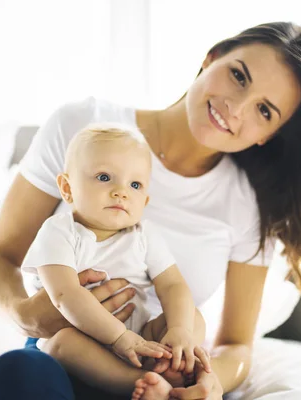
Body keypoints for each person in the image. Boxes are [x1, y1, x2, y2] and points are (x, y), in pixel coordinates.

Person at [0, 21, 301, 400]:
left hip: (159, 366)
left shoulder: (246, 204)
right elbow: (0, 258)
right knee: (14, 376)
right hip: (61, 350)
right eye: (238, 76)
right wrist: (26, 314)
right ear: (211, 58)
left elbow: (235, 345)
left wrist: (211, 383)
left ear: (270, 135)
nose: (237, 107)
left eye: (265, 111)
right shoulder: (84, 127)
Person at [20, 123, 211, 398]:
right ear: (67, 187)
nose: (121, 191)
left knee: (193, 317)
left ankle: (171, 364)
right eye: (104, 177)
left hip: (141, 337)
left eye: (134, 184)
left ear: (144, 202)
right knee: (62, 343)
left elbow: (172, 285)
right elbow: (65, 294)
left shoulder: (144, 235)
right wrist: (119, 338)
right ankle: (135, 382)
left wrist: (179, 330)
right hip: (83, 339)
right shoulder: (59, 231)